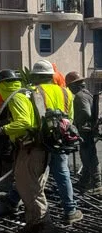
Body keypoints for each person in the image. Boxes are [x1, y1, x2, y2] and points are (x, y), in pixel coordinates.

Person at [0, 69, 56, 233]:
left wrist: (1, 130)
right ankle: (33, 224)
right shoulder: (27, 93)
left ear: (3, 85)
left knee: (29, 188)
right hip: (40, 147)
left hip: (30, 149)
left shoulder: (16, 97)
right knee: (34, 187)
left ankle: (44, 226)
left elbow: (24, 122)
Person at [29, 60, 82, 223]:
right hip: (60, 139)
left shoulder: (32, 91)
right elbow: (70, 118)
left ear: (36, 76)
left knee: (30, 174)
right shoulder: (66, 92)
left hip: (39, 140)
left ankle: (18, 203)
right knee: (62, 173)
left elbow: (31, 119)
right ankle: (70, 210)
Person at [66, 71, 101, 193]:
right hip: (89, 130)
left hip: (85, 131)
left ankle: (96, 182)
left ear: (74, 85)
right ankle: (85, 180)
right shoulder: (88, 94)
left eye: (69, 87)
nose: (69, 90)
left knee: (88, 156)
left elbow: (86, 112)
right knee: (86, 155)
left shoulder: (80, 96)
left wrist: (76, 123)